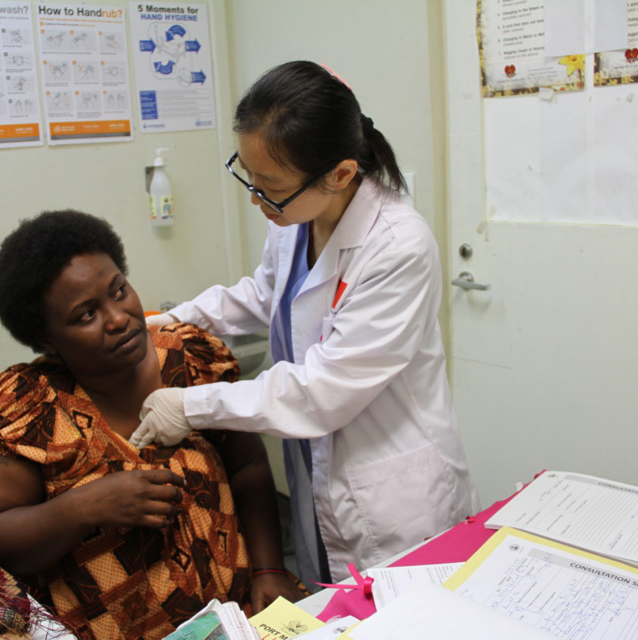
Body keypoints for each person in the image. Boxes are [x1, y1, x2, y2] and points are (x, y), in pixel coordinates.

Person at [131, 61, 481, 589]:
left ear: (340, 174)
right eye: (248, 176)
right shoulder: (296, 215)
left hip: (392, 497)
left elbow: (323, 390)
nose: (256, 198)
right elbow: (268, 295)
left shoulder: (397, 246)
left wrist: (191, 406)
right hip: (315, 468)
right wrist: (170, 319)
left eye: (269, 186)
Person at [0, 210, 303, 640]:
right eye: (86, 315)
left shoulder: (188, 358)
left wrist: (269, 568)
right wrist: (86, 507)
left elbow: (247, 467)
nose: (119, 317)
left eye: (118, 290)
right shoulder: (23, 408)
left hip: (237, 616)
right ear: (46, 338)